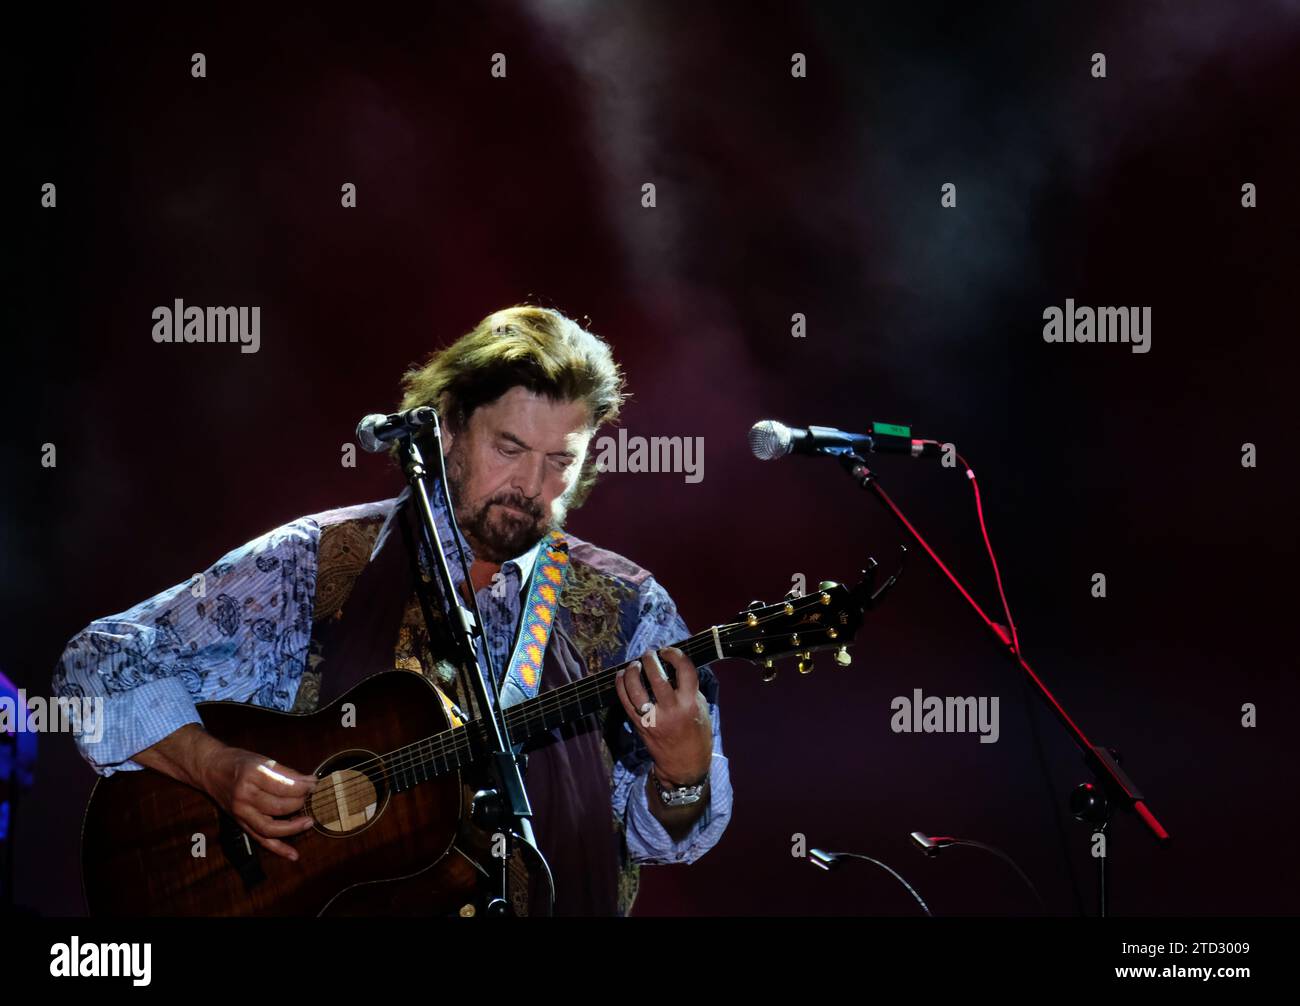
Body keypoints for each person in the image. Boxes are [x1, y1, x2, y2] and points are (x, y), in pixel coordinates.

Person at [52, 305, 732, 916]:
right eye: (510, 449)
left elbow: (661, 840)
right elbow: (95, 666)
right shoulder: (317, 564)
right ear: (449, 430)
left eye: (561, 460)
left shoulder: (632, 610)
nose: (531, 486)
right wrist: (216, 768)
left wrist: (683, 774)